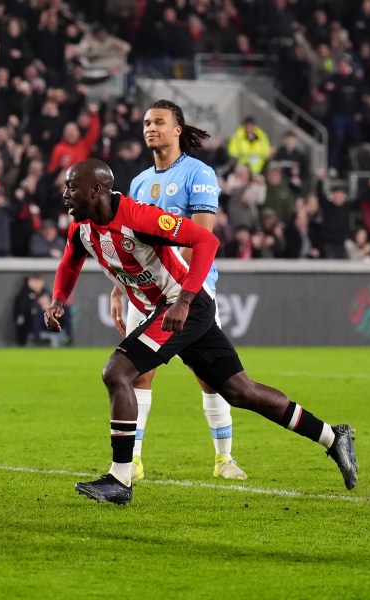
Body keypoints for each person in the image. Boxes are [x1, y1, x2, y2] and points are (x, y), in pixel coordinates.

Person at [45, 159, 357, 505]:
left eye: (71, 188)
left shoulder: (138, 218)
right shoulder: (82, 227)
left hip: (185, 306)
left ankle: (120, 479)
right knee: (242, 392)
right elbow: (70, 261)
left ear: (96, 190)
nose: (65, 195)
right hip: (171, 310)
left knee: (117, 371)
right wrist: (59, 299)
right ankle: (333, 436)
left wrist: (185, 301)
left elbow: (205, 240)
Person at [117, 99, 246, 482]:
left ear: (177, 129)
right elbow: (128, 244)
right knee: (138, 374)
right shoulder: (139, 182)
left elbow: (200, 237)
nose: (150, 128)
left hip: (191, 290)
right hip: (144, 292)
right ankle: (134, 460)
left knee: (211, 377)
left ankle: (224, 458)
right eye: (145, 123)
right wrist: (118, 288)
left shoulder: (199, 173)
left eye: (158, 122)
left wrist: (184, 293)